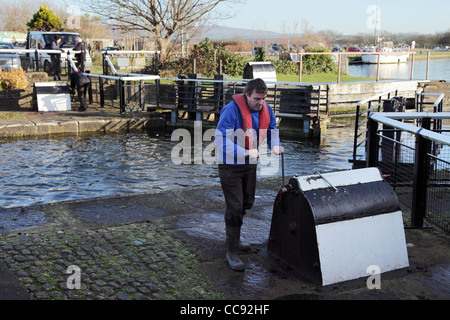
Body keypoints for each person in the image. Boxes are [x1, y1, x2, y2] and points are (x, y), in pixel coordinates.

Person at [214, 78, 284, 271]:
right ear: (246, 95)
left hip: (250, 163)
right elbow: (219, 140)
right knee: (235, 206)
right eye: (256, 98)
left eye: (263, 98)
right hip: (230, 165)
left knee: (247, 202)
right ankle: (232, 251)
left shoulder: (266, 110)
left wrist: (275, 144)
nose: (260, 102)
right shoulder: (231, 110)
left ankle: (233, 235)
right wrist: (244, 152)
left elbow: (272, 130)